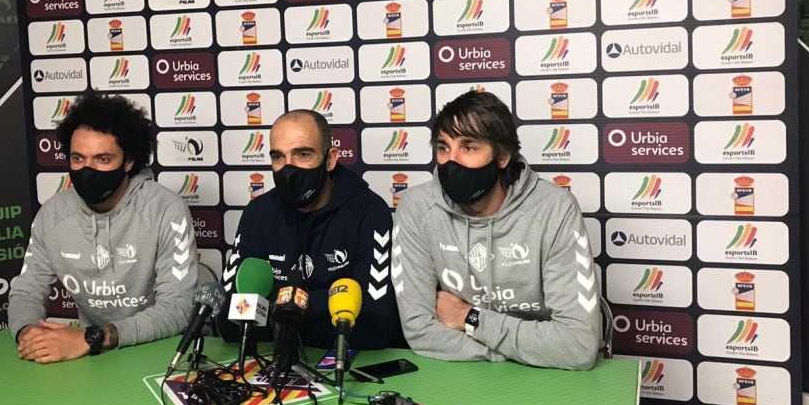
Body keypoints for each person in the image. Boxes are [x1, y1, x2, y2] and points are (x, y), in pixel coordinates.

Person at [393, 91, 601, 370]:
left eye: (469, 147)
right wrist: (522, 350)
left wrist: (469, 317)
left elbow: (577, 345)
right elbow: (420, 332)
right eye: (443, 148)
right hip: (467, 375)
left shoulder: (554, 209)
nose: (451, 162)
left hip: (552, 381)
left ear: (502, 157)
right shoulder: (417, 208)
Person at [8, 93, 198, 363]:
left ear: (129, 161)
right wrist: (29, 333)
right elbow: (26, 291)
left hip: (160, 354)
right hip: (91, 356)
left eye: (103, 159)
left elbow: (178, 309)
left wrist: (93, 338)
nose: (88, 170)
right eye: (78, 158)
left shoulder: (165, 210)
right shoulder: (52, 215)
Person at [218, 109, 400, 350]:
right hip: (271, 370)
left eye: (303, 154)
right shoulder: (259, 213)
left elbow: (374, 326)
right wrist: (327, 304)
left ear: (330, 158)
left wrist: (290, 310)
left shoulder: (368, 212)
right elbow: (230, 322)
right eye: (278, 157)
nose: (288, 169)